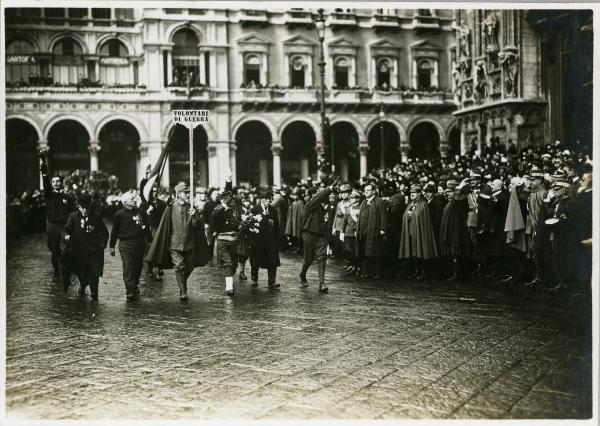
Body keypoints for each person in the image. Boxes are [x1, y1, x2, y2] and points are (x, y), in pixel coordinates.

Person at [145, 182, 209, 301]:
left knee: (189, 267)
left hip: (190, 244)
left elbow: (196, 226)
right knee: (179, 266)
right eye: (186, 193)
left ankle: (182, 282)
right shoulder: (170, 208)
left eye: (188, 193)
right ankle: (182, 291)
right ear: (179, 194)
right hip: (175, 244)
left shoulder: (192, 208)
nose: (188, 195)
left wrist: (195, 216)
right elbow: (165, 226)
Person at [40, 154, 77, 290]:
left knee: (65, 249)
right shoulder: (49, 195)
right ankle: (56, 270)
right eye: (54, 181)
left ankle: (65, 269)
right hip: (52, 226)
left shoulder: (68, 197)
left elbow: (74, 213)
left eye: (58, 181)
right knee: (54, 250)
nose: (56, 183)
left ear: (62, 183)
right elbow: (45, 182)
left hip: (64, 226)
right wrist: (44, 169)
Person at [62, 193, 109, 300]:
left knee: (94, 271)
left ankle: (94, 292)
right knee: (81, 270)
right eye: (82, 208)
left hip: (94, 250)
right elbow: (65, 229)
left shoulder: (96, 217)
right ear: (78, 206)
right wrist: (67, 236)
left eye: (87, 208)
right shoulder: (73, 217)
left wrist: (102, 244)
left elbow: (104, 233)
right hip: (79, 250)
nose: (84, 210)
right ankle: (83, 284)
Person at [299, 178, 340, 292]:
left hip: (321, 235)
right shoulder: (310, 204)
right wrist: (329, 188)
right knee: (308, 259)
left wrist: (333, 190)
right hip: (309, 234)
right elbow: (319, 197)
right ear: (313, 195)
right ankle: (303, 275)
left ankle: (322, 283)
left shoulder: (323, 206)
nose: (319, 194)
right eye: (317, 193)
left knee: (322, 258)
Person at [110, 191, 151, 301]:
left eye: (134, 198)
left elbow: (146, 227)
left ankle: (135, 284)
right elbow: (114, 231)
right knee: (128, 266)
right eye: (132, 199)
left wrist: (150, 240)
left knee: (137, 267)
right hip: (125, 244)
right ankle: (129, 291)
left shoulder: (140, 212)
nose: (134, 200)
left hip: (139, 243)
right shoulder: (119, 215)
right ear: (125, 202)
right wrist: (112, 245)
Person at [211, 176, 243, 296]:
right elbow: (213, 216)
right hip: (223, 240)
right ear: (222, 200)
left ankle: (229, 279)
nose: (230, 200)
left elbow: (229, 192)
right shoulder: (219, 209)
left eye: (230, 199)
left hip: (234, 240)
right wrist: (223, 206)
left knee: (234, 263)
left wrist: (228, 181)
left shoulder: (232, 208)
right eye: (227, 199)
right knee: (227, 263)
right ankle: (229, 287)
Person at [398, 184, 438, 280]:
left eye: (414, 192)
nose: (412, 194)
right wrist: (408, 215)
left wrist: (413, 214)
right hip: (411, 232)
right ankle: (416, 270)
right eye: (411, 193)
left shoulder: (423, 204)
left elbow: (422, 218)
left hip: (420, 232)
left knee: (421, 251)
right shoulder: (411, 204)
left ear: (419, 193)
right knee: (413, 252)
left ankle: (423, 272)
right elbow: (405, 216)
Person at [248, 187, 281, 289]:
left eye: (269, 198)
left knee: (272, 260)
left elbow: (276, 226)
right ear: (260, 199)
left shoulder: (273, 210)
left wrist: (277, 240)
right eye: (266, 198)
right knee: (255, 261)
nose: (268, 200)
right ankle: (254, 279)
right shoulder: (254, 210)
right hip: (258, 240)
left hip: (270, 239)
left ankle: (272, 281)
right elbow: (251, 225)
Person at [438, 179, 470, 282]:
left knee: (457, 253)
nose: (446, 194)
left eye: (449, 192)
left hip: (457, 231)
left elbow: (457, 197)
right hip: (451, 231)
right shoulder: (450, 202)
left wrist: (459, 188)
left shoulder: (459, 201)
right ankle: (454, 273)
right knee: (453, 253)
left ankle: (458, 274)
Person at [356, 182, 388, 279]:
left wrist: (383, 229)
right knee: (365, 253)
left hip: (374, 231)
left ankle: (376, 272)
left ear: (373, 191)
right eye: (365, 191)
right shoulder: (363, 202)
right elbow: (360, 217)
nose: (366, 192)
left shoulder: (379, 201)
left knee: (375, 253)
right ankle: (367, 272)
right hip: (363, 232)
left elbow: (384, 216)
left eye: (368, 190)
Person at [141, 185, 167, 280]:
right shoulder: (145, 204)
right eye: (152, 191)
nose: (154, 193)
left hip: (159, 228)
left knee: (159, 248)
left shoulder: (162, 204)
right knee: (149, 249)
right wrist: (148, 211)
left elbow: (165, 216)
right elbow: (141, 217)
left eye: (156, 191)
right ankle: (149, 269)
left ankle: (158, 269)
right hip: (148, 229)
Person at [340, 190, 362, 276]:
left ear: (357, 198)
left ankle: (357, 267)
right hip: (348, 231)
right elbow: (344, 221)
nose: (351, 199)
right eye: (351, 198)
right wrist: (342, 231)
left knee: (356, 251)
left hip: (356, 231)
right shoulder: (349, 208)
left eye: (353, 198)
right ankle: (352, 266)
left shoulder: (361, 208)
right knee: (349, 250)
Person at [285, 188, 305, 254]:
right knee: (293, 234)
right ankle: (295, 247)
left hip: (298, 221)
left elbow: (301, 214)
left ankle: (299, 248)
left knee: (298, 234)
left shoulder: (300, 203)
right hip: (292, 220)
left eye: (296, 195)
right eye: (293, 195)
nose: (294, 196)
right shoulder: (293, 203)